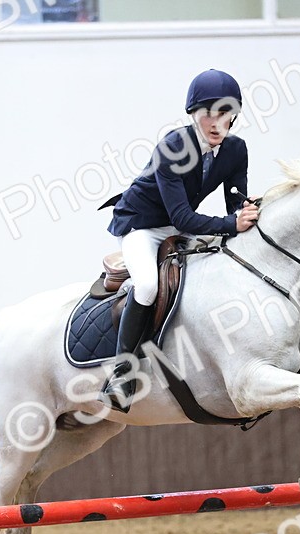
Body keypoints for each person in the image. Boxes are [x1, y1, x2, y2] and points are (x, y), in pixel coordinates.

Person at [101, 68, 261, 412]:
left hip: (180, 225)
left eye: (224, 113)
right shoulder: (173, 147)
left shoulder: (236, 150)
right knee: (146, 287)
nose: (216, 123)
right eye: (207, 114)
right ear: (193, 116)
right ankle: (121, 373)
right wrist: (233, 224)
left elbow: (235, 202)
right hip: (141, 225)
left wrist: (248, 212)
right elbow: (183, 219)